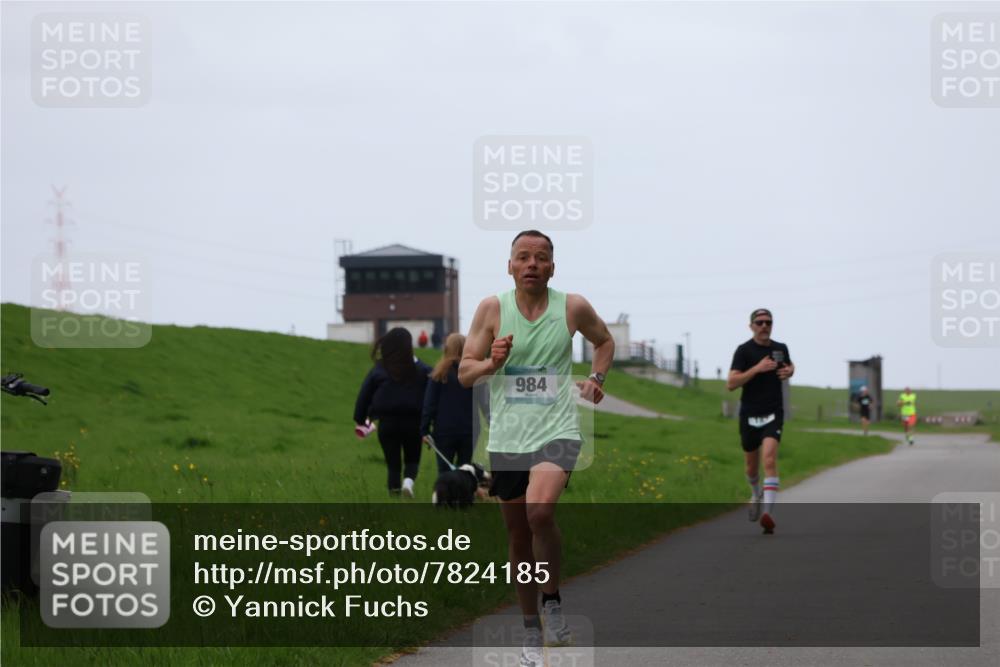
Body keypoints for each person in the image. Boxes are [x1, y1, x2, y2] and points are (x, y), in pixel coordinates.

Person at [459, 230, 613, 667]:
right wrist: (492, 362)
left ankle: (552, 599)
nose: (531, 264)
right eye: (522, 257)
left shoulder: (572, 307)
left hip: (557, 429)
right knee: (518, 536)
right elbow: (465, 373)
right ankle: (531, 631)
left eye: (540, 258)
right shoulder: (492, 309)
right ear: (509, 266)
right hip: (509, 437)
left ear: (552, 267)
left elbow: (604, 341)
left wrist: (597, 380)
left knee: (539, 512)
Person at [726, 308, 794, 535]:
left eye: (768, 322)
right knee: (751, 467)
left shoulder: (780, 348)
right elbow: (732, 383)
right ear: (751, 326)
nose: (764, 326)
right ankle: (756, 494)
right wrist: (757, 369)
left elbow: (788, 366)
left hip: (774, 413)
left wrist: (790, 371)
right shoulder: (744, 351)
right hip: (749, 414)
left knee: (769, 459)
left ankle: (768, 514)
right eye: (760, 322)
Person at [353, 328, 431, 497]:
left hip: (387, 425)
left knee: (393, 464)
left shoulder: (379, 369)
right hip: (413, 423)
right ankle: (408, 483)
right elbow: (431, 398)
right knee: (412, 458)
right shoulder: (423, 370)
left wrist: (360, 419)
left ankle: (394, 496)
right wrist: (430, 423)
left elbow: (364, 395)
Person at [421, 333, 474, 473]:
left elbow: (429, 404)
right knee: (465, 471)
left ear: (446, 349)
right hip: (469, 431)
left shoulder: (438, 374)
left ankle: (446, 494)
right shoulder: (473, 374)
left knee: (445, 472)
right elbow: (485, 404)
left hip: (443, 432)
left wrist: (424, 430)